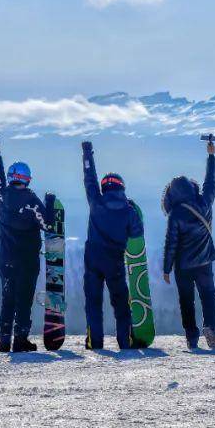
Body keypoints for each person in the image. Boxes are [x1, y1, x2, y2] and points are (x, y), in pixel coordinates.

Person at [0, 133, 54, 353]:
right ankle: (21, 340)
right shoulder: (31, 202)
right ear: (26, 179)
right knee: (23, 300)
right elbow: (48, 225)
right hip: (26, 261)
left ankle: (4, 340)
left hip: (5, 259)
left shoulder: (0, 196)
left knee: (7, 299)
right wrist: (50, 203)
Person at [81, 141, 143, 350]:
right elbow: (137, 233)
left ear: (105, 187)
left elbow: (89, 179)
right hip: (115, 260)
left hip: (93, 258)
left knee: (93, 303)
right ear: (121, 187)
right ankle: (125, 341)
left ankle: (95, 342)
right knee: (120, 303)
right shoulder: (129, 211)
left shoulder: (95, 202)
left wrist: (87, 153)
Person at [162, 138, 215, 349]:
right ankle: (210, 326)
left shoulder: (175, 214)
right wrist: (211, 156)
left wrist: (166, 268)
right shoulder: (204, 202)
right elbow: (211, 182)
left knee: (186, 301)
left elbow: (171, 244)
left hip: (183, 266)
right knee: (208, 296)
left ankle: (191, 336)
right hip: (204, 261)